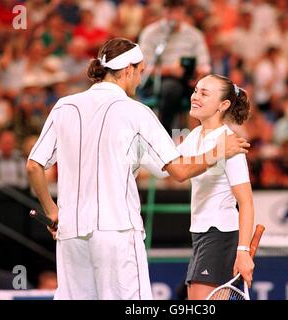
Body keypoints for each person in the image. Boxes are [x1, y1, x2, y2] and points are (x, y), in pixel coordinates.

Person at [26, 38, 250, 300]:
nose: (140, 79)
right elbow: (177, 171)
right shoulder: (137, 112)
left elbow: (33, 166)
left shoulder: (64, 106)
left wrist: (53, 211)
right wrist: (218, 150)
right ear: (128, 70)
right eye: (141, 71)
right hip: (117, 232)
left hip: (71, 235)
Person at [176, 74, 255, 300]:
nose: (195, 97)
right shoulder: (194, 136)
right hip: (200, 234)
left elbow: (246, 203)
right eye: (196, 91)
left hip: (220, 235)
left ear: (223, 105)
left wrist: (243, 252)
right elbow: (176, 170)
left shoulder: (231, 143)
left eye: (204, 93)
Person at [138, 0, 211, 134]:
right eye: (170, 11)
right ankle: (166, 133)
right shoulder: (151, 33)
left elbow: (205, 64)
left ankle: (203, 135)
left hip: (191, 78)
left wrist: (200, 75)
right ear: (163, 12)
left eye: (177, 11)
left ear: (183, 12)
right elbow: (143, 68)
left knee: (210, 89)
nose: (174, 16)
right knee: (171, 89)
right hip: (163, 79)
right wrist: (169, 70)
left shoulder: (194, 34)